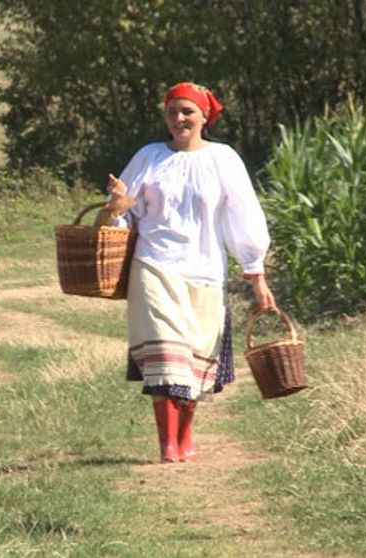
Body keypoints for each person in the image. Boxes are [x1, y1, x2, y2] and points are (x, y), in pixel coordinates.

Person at [109, 81, 275, 464]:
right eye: (172, 112)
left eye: (187, 111)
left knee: (194, 363)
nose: (179, 118)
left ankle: (185, 436)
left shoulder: (223, 159)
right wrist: (115, 207)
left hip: (205, 273)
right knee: (166, 357)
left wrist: (256, 274)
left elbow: (244, 218)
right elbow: (122, 213)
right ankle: (168, 444)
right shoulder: (148, 157)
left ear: (204, 116)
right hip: (153, 266)